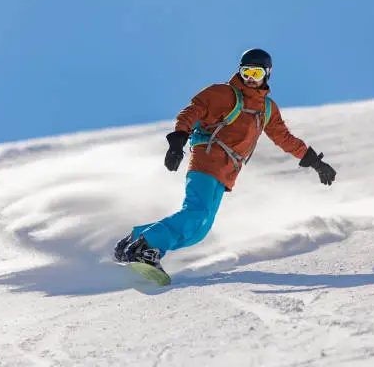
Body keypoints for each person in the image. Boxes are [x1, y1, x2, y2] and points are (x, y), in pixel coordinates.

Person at [113, 48, 337, 271]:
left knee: (199, 231)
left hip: (226, 173)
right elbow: (193, 111)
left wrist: (314, 162)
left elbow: (284, 138)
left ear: (267, 74)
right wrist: (178, 138)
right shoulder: (223, 94)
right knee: (195, 213)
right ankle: (148, 246)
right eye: (245, 72)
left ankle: (136, 239)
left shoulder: (267, 109)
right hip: (207, 160)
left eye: (256, 74)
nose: (249, 79)